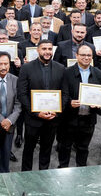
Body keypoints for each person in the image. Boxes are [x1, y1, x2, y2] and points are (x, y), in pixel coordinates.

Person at [17, 40, 65, 171]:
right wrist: (36, 113)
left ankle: (44, 175)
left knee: (47, 149)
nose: (47, 52)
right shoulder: (26, 68)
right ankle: (25, 175)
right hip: (33, 119)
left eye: (50, 49)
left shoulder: (61, 68)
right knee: (28, 149)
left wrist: (57, 112)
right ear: (38, 50)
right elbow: (22, 94)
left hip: (52, 118)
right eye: (44, 49)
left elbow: (65, 93)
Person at [58, 45, 101, 167]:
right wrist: (69, 102)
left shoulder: (100, 74)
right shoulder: (66, 72)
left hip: (88, 119)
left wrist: (98, 105)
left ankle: (81, 171)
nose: (86, 58)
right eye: (83, 55)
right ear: (76, 56)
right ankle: (62, 170)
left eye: (89, 55)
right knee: (65, 147)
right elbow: (62, 93)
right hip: (69, 119)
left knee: (83, 148)